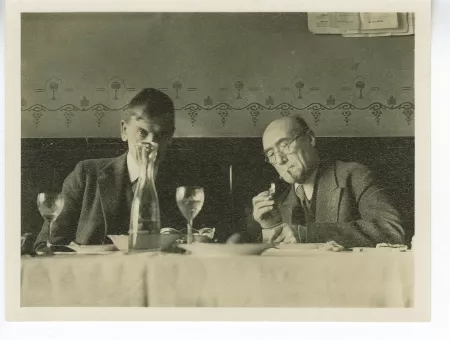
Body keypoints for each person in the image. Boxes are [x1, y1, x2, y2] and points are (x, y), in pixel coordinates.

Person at [34, 88, 184, 251]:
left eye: (161, 135)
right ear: (124, 130)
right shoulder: (86, 174)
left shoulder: (185, 187)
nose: (151, 143)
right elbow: (45, 246)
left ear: (171, 136)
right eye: (142, 132)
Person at [250, 116, 406, 248]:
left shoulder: (355, 175)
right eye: (271, 154)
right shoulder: (281, 201)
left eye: (284, 145)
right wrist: (270, 227)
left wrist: (307, 234)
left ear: (310, 139)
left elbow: (391, 231)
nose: (280, 160)